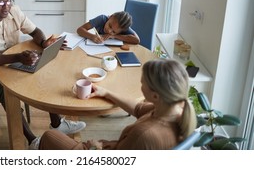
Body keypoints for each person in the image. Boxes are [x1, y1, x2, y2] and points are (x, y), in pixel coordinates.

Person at [0, 0, 86, 148]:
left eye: (9, 1)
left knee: (42, 69)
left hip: (8, 61)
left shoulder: (14, 10)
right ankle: (33, 140)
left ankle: (57, 123)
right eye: (0, 2)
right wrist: (18, 57)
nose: (6, 6)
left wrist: (43, 42)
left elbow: (35, 31)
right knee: (5, 89)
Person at [35, 58, 197, 150]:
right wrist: (106, 92)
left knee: (49, 136)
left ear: (155, 95)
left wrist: (95, 147)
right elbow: (139, 108)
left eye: (143, 84)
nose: (140, 86)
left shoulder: (144, 134)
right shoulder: (174, 109)